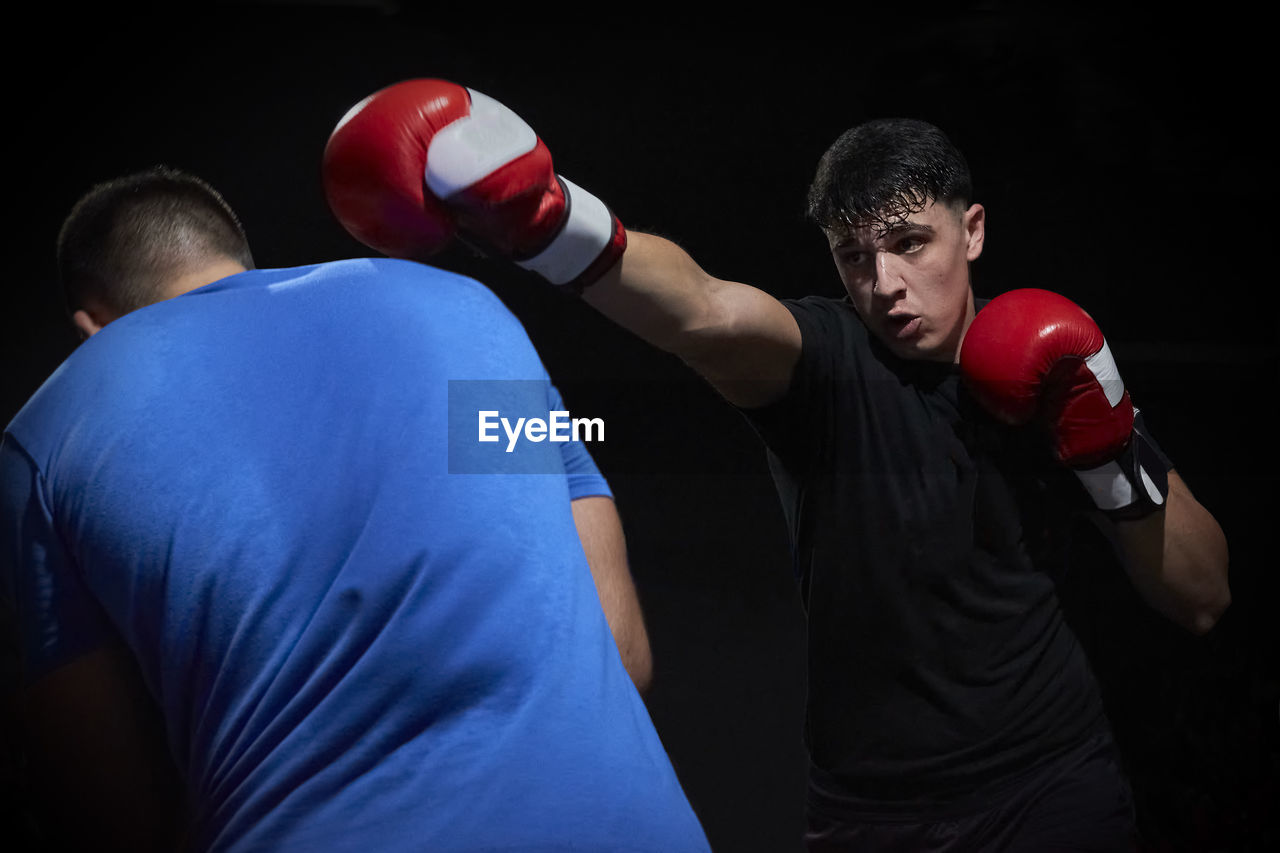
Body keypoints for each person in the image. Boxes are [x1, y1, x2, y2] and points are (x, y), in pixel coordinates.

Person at [321, 79, 1232, 851]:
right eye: (854, 257)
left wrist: (1110, 450)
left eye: (911, 243)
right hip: (868, 811)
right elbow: (704, 311)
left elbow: (1201, 596)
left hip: (1052, 782)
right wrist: (543, 218)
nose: (885, 284)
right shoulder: (827, 362)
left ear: (974, 231)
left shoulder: (1061, 368)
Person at [0, 166, 712, 852]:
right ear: (241, 261)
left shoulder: (51, 427)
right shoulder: (463, 309)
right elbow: (620, 652)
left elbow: (106, 814)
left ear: (93, 328)